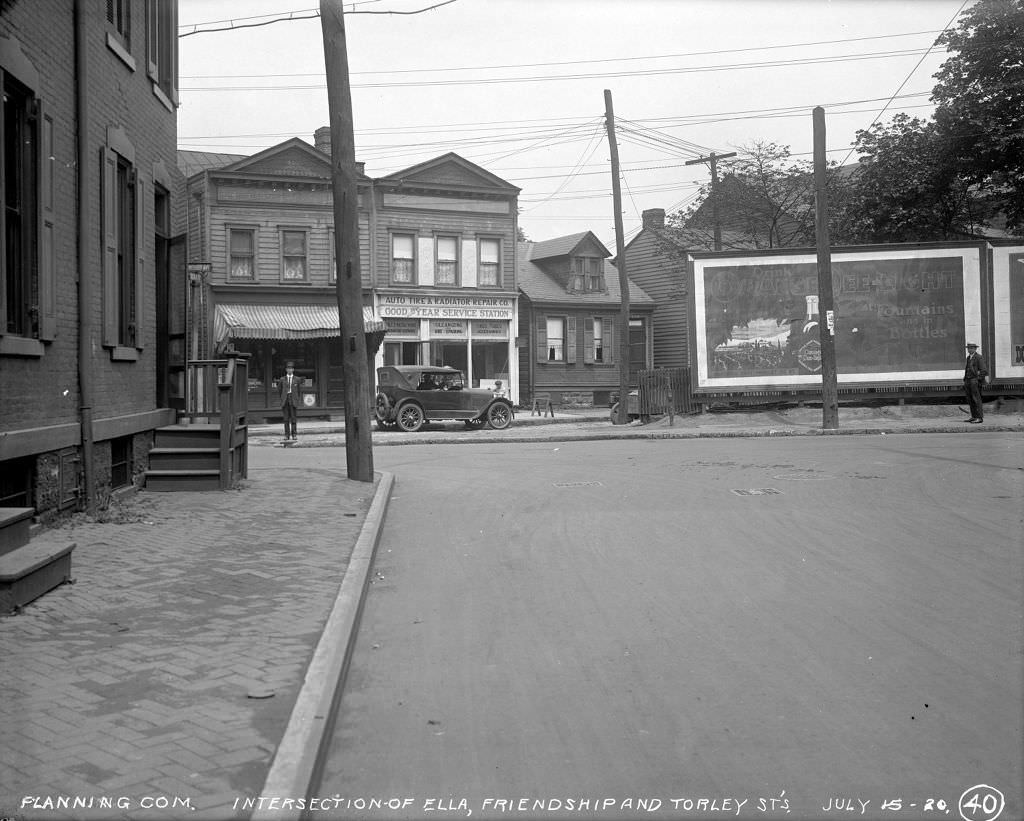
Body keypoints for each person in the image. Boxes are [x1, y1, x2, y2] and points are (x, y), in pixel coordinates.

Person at [963, 342, 988, 423]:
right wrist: (965, 379)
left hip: (974, 381)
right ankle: (974, 416)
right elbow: (967, 369)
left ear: (975, 349)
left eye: (971, 348)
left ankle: (980, 418)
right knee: (970, 399)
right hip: (968, 381)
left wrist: (978, 380)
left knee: (976, 399)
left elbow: (984, 370)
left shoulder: (979, 357)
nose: (969, 349)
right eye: (968, 348)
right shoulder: (968, 358)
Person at [279, 360, 302, 439]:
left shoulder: (297, 379)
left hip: (293, 400)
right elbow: (280, 391)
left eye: (291, 368)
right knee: (286, 419)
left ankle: (294, 434)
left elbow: (299, 391)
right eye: (288, 368)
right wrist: (283, 398)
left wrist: (296, 398)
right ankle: (286, 435)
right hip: (285, 400)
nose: (289, 370)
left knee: (293, 418)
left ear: (293, 370)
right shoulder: (282, 379)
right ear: (286, 370)